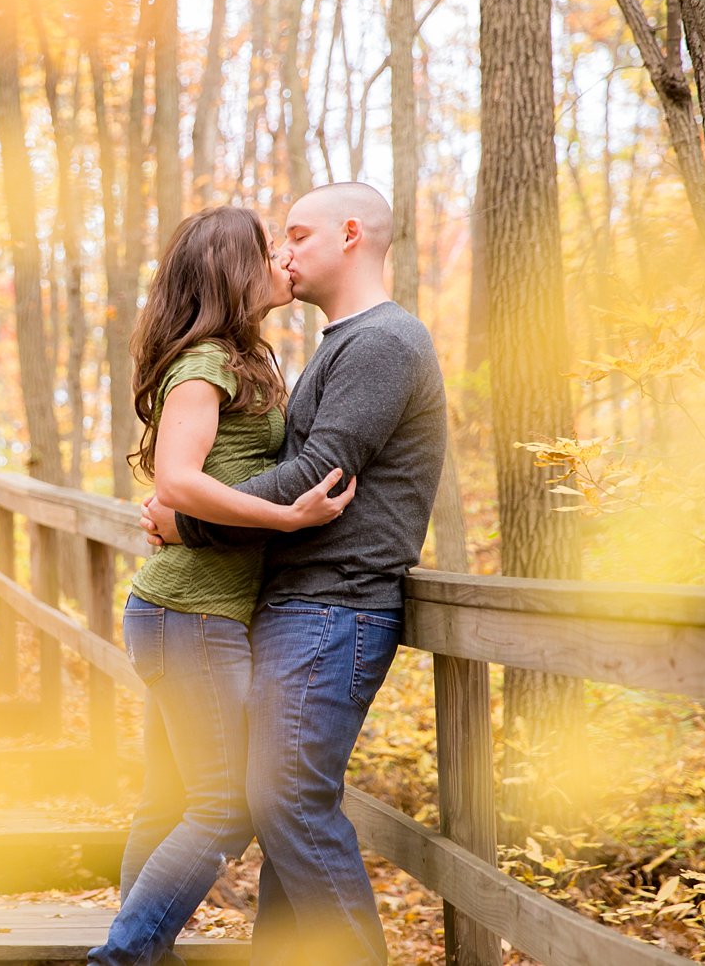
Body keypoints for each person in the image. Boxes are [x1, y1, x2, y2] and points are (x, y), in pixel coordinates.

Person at [142, 183, 448, 965]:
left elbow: (318, 472)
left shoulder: (384, 341)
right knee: (276, 810)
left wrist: (188, 519)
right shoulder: (339, 342)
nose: (283, 251)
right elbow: (278, 466)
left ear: (351, 235)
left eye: (298, 234)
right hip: (294, 602)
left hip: (336, 601)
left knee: (289, 804)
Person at [88, 205, 356, 966]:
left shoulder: (240, 358)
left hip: (186, 614)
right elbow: (175, 478)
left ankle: (137, 950)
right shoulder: (205, 361)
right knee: (223, 804)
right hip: (191, 615)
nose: (283, 261)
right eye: (269, 252)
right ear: (235, 272)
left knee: (172, 799)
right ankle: (123, 956)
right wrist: (287, 518)